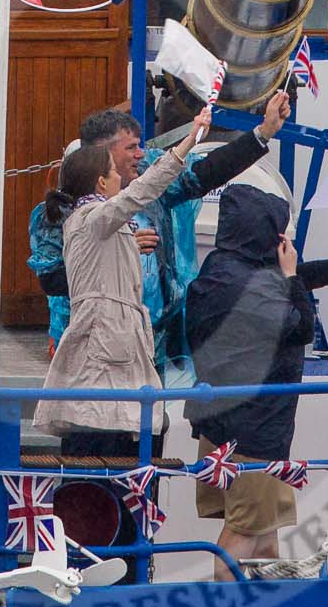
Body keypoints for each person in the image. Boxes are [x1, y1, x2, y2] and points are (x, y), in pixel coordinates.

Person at [184, 185, 328, 579]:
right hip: (254, 432)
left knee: (263, 533)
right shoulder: (249, 286)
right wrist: (291, 277)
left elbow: (286, 279)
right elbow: (300, 325)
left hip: (223, 424)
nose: (284, 241)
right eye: (279, 232)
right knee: (243, 532)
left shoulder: (224, 268)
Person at [27, 89, 291, 368]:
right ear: (102, 153)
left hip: (151, 338)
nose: (140, 154)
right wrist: (123, 249)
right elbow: (52, 280)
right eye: (130, 148)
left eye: (139, 146)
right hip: (88, 343)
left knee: (150, 411)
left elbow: (204, 173)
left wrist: (262, 132)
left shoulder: (146, 169)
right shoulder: (60, 212)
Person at [32, 109, 211, 461]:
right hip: (105, 341)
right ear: (101, 182)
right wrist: (190, 140)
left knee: (132, 433)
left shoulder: (99, 224)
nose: (121, 177)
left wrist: (130, 243)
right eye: (113, 172)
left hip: (121, 339)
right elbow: (142, 192)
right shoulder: (92, 217)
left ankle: (123, 504)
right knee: (100, 437)